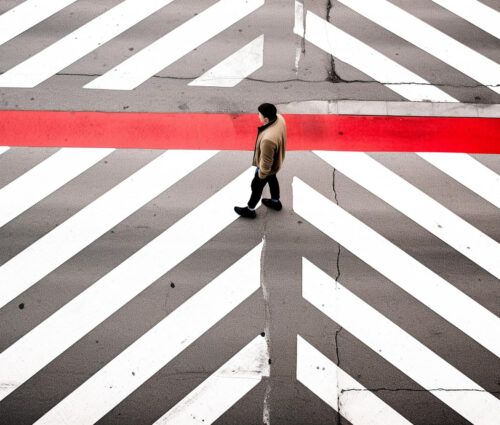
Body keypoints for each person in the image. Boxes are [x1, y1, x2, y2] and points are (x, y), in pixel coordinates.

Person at [234, 103, 286, 219]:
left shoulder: (268, 139)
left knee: (256, 187)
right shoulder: (280, 119)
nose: (258, 116)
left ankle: (250, 209)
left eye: (260, 115)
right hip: (276, 162)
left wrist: (260, 175)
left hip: (267, 167)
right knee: (272, 179)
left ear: (266, 119)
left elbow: (266, 163)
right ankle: (275, 202)